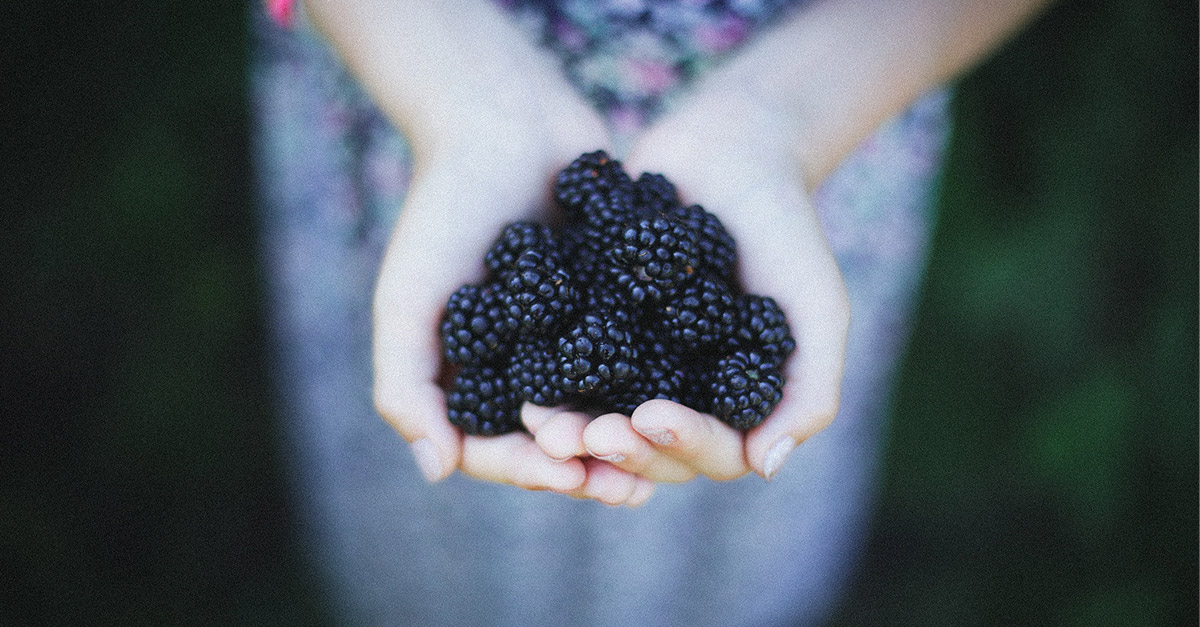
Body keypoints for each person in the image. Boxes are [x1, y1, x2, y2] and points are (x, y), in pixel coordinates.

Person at [252, 0, 1048, 624]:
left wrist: (787, 118)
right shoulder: (573, 283)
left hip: (824, 124)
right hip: (414, 80)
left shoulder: (670, 281)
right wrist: (457, 95)